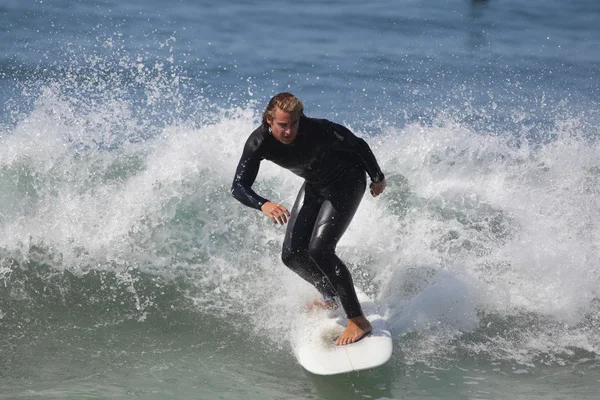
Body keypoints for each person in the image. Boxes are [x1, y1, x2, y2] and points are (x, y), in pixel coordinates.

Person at [231, 92, 386, 345]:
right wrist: (264, 204)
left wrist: (377, 177)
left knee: (320, 249)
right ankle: (331, 296)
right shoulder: (259, 142)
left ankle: (358, 321)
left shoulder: (319, 129)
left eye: (294, 123)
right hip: (315, 185)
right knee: (292, 255)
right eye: (283, 124)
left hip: (347, 181)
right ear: (269, 120)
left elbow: (357, 144)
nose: (289, 130)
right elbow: (238, 186)